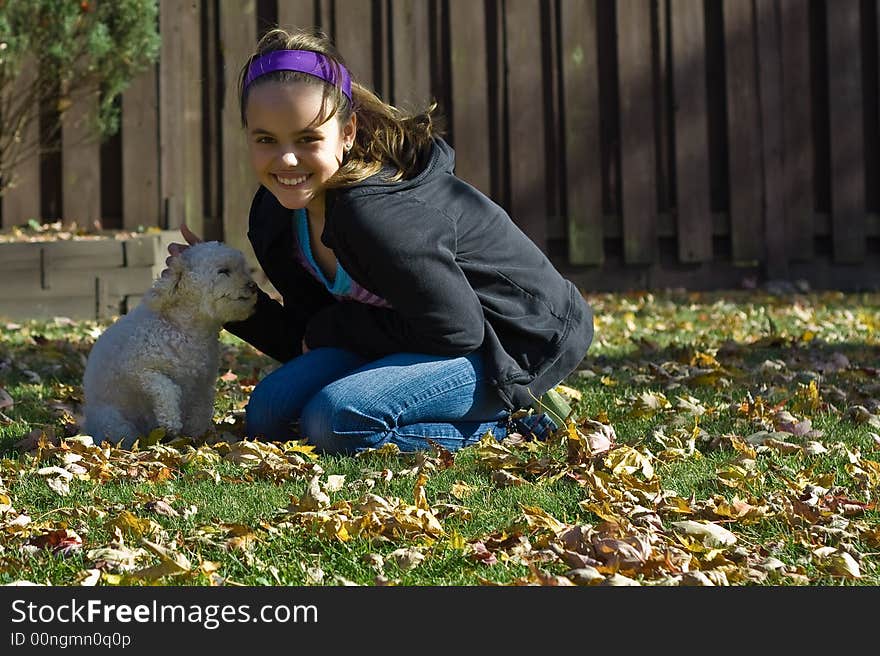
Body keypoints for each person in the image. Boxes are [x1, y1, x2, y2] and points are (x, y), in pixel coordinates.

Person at [166, 27, 594, 454]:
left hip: (509, 342)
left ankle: (516, 425)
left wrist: (333, 328)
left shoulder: (373, 215)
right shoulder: (274, 215)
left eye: (308, 138)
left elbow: (456, 330)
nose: (287, 159)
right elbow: (306, 336)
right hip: (417, 335)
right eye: (266, 140)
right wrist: (223, 294)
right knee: (268, 413)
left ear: (347, 133)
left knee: (335, 421)